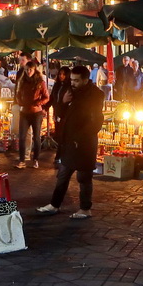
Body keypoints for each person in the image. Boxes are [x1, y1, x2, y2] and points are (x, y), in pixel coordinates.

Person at [37, 65, 104, 219]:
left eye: (76, 80)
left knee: (84, 177)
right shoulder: (70, 91)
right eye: (71, 79)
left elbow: (96, 121)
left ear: (86, 80)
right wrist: (63, 101)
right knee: (63, 174)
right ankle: (54, 204)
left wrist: (81, 139)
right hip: (69, 141)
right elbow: (61, 113)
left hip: (84, 143)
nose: (72, 83)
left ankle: (85, 209)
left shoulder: (95, 95)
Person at [14, 58, 49, 168]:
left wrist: (38, 103)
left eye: (30, 70)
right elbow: (18, 94)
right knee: (22, 137)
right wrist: (20, 102)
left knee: (37, 137)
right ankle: (22, 160)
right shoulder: (21, 81)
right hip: (24, 112)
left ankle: (36, 159)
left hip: (36, 112)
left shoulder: (40, 82)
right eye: (26, 70)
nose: (28, 72)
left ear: (34, 70)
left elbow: (46, 97)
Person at [50, 66, 72, 158]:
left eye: (64, 74)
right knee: (58, 135)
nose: (61, 76)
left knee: (63, 135)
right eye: (60, 74)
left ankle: (60, 155)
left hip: (65, 114)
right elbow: (52, 98)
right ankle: (60, 155)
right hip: (57, 113)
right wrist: (45, 107)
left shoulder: (69, 86)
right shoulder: (57, 85)